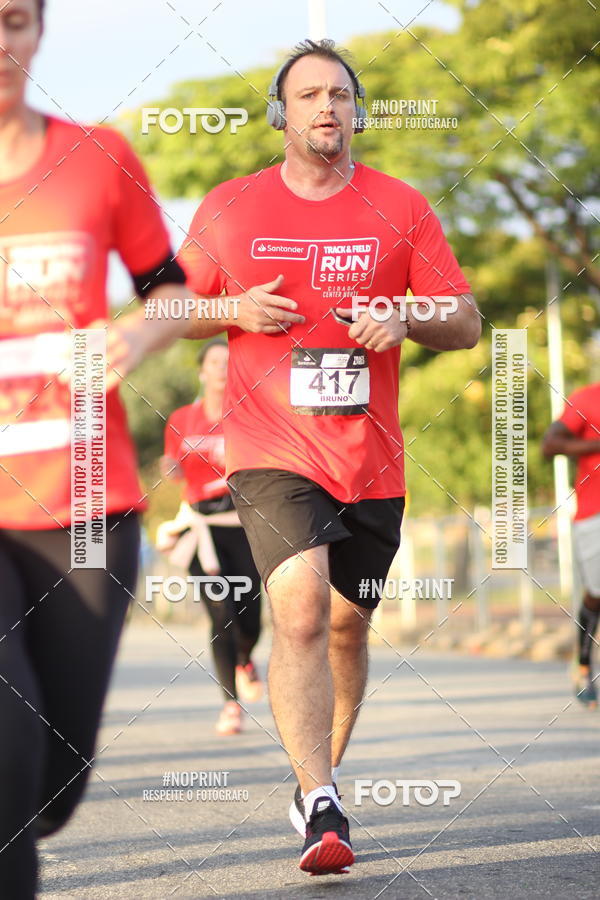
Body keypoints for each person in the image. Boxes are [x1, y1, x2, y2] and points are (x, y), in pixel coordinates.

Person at [177, 39, 480, 874]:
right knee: (302, 609)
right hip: (272, 446)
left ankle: (324, 774)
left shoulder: (401, 206)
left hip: (371, 457)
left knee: (348, 626)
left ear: (357, 109)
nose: (325, 109)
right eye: (308, 95)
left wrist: (406, 318)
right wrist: (237, 304)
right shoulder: (231, 207)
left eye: (339, 95)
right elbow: (173, 305)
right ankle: (320, 804)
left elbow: (466, 321)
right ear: (281, 112)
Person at [0, 1, 194, 895]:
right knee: (5, 757)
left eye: (11, 20)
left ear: (38, 32)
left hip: (84, 501)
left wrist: (140, 337)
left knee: (54, 779)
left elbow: (173, 294)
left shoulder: (100, 156)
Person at [160, 339, 263, 735]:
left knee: (251, 614)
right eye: (215, 362)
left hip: (243, 523)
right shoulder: (181, 419)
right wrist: (169, 468)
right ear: (202, 371)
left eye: (229, 362)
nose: (222, 368)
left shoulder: (250, 414)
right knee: (220, 610)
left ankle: (245, 657)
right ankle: (230, 705)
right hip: (201, 526)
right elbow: (175, 469)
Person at [542, 382, 600, 707]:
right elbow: (550, 444)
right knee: (597, 592)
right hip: (595, 513)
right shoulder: (587, 398)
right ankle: (582, 664)